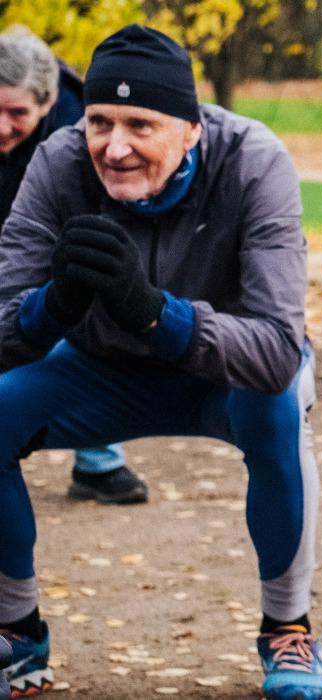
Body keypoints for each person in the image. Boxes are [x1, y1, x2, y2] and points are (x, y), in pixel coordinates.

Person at [0, 25, 322, 699]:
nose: (114, 148)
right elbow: (5, 325)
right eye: (99, 122)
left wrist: (155, 311)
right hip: (99, 372)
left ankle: (288, 631)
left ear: (191, 128)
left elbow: (273, 349)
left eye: (139, 125)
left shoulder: (255, 161)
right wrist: (55, 304)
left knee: (280, 401)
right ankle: (17, 630)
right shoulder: (60, 161)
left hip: (222, 378)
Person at [0, 26, 145, 505]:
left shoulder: (80, 133)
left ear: (45, 102)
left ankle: (98, 464)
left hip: (62, 244)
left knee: (69, 319)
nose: (1, 126)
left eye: (16, 113)